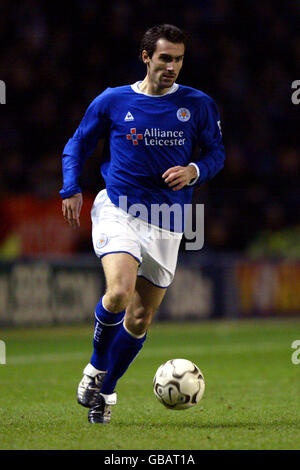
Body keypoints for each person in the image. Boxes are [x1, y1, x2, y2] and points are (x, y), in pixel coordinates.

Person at [60, 24, 225, 423]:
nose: (172, 66)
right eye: (165, 58)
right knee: (119, 292)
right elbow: (79, 142)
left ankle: (107, 392)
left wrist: (194, 170)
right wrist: (70, 186)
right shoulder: (113, 101)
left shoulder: (198, 104)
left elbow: (217, 153)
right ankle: (95, 369)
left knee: (139, 318)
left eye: (179, 59)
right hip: (119, 210)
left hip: (168, 221)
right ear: (146, 57)